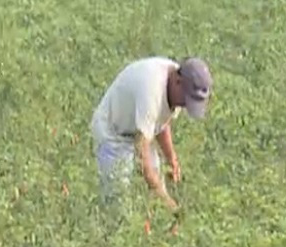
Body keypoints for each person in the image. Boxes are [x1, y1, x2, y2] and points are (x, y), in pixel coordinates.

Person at [89, 57, 212, 210]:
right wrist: (171, 207)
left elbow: (162, 122)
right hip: (113, 132)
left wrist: (171, 160)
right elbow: (144, 165)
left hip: (138, 130)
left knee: (156, 185)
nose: (186, 106)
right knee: (118, 202)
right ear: (178, 82)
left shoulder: (175, 85)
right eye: (187, 100)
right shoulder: (152, 89)